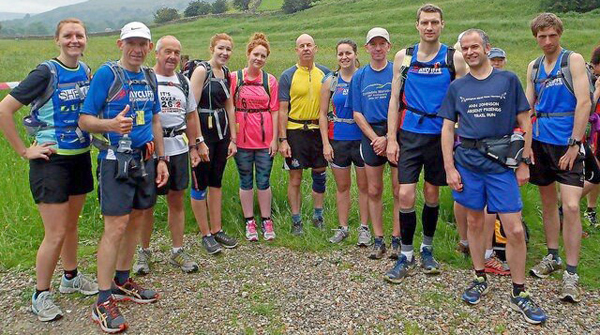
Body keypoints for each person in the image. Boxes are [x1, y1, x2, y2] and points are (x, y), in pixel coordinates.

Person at [440, 28, 547, 324]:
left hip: (501, 164)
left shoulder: (508, 79)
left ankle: (519, 291)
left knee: (513, 228)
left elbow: (525, 120)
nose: (471, 51)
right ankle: (479, 277)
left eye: (476, 46)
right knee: (475, 221)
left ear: (487, 48)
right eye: (466, 48)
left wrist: (525, 161)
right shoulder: (457, 87)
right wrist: (449, 167)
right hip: (468, 162)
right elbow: (448, 128)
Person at [0, 18, 98, 322]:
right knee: (55, 232)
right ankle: (40, 294)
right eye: (68, 35)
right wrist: (24, 150)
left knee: (71, 226)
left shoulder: (86, 71)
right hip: (50, 161)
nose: (74, 40)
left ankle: (70, 277)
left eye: (79, 35)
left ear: (85, 40)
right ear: (57, 40)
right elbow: (4, 108)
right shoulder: (45, 72)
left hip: (80, 156)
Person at [79, 21, 168, 333]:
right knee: (115, 227)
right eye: (132, 43)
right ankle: (102, 300)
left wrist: (161, 158)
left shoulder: (148, 75)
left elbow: (156, 118)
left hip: (144, 159)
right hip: (115, 160)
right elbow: (85, 119)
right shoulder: (108, 74)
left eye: (143, 43)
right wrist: (111, 126)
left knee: (137, 219)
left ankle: (121, 280)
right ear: (120, 45)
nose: (138, 49)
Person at [385, 4, 467, 281]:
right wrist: (391, 138)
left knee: (432, 194)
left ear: (442, 25)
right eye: (425, 23)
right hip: (409, 133)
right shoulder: (404, 57)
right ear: (417, 25)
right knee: (405, 194)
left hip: (440, 136)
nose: (429, 27)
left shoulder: (454, 59)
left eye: (434, 22)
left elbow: (464, 100)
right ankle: (406, 254)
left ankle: (427, 249)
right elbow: (394, 100)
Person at [526, 13, 589, 303]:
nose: (548, 41)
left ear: (559, 34)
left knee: (572, 206)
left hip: (567, 142)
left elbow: (584, 101)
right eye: (542, 36)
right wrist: (526, 145)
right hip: (540, 140)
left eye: (552, 35)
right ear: (536, 37)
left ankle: (572, 274)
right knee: (548, 203)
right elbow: (528, 108)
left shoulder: (572, 60)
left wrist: (576, 144)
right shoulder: (534, 66)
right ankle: (553, 255)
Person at [133, 36, 202, 275]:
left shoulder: (183, 81)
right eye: (167, 52)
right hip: (150, 149)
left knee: (176, 199)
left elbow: (191, 115)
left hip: (178, 147)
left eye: (176, 52)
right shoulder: (144, 78)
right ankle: (143, 252)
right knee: (147, 203)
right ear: (157, 53)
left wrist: (194, 146)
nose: (172, 57)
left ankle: (177, 251)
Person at [346, 27, 400, 258]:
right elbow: (357, 112)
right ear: (367, 47)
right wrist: (376, 138)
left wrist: (389, 137)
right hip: (371, 135)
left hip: (395, 134)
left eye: (382, 44)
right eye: (373, 44)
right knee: (374, 189)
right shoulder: (360, 76)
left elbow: (402, 106)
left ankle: (398, 239)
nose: (378, 48)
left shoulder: (397, 72)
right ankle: (379, 239)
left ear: (389, 46)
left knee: (399, 190)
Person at [189, 33, 239, 254]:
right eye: (221, 48)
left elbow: (230, 107)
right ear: (212, 48)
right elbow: (191, 108)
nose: (224, 53)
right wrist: (197, 142)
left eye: (228, 49)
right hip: (203, 132)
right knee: (200, 181)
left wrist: (233, 139)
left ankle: (217, 228)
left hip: (221, 133)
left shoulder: (226, 72)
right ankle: (205, 233)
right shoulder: (202, 71)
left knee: (216, 181)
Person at [319, 39, 370, 244]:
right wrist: (325, 143)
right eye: (340, 54)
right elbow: (322, 114)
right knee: (342, 186)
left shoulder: (364, 77)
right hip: (338, 138)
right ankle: (343, 228)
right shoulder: (330, 80)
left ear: (356, 54)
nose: (344, 57)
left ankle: (364, 228)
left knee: (364, 186)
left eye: (348, 53)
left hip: (361, 139)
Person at [278, 34, 330, 235]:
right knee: (295, 178)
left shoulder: (325, 74)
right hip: (295, 131)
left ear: (315, 48)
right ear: (296, 50)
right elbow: (282, 110)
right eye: (302, 46)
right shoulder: (287, 75)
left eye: (309, 45)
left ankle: (318, 216)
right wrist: (283, 140)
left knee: (319, 176)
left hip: (318, 131)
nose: (306, 49)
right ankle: (296, 220)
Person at [230, 33, 280, 241]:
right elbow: (229, 107)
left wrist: (275, 139)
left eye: (263, 56)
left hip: (264, 139)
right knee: (245, 179)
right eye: (256, 54)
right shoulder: (234, 78)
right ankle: (249, 220)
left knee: (264, 179)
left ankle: (266, 219)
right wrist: (232, 138)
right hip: (241, 139)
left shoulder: (270, 81)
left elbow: (275, 110)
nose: (259, 59)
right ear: (248, 54)